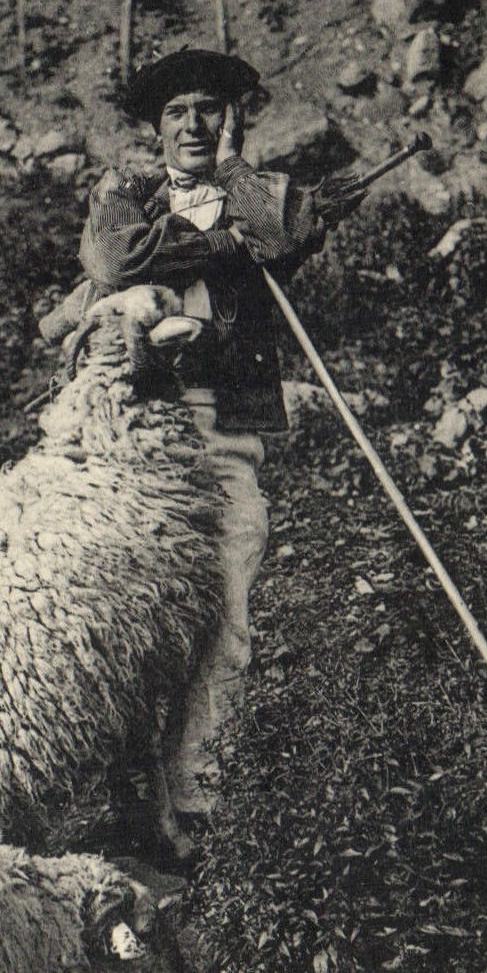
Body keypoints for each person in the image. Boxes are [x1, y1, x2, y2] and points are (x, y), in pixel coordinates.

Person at [72, 48, 357, 823]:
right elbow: (114, 260)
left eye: (209, 109)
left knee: (227, 620)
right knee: (136, 621)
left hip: (227, 431)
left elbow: (285, 234)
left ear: (231, 120)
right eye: (177, 112)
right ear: (156, 127)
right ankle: (132, 802)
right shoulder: (127, 195)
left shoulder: (258, 193)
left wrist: (231, 176)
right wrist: (222, 244)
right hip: (141, 437)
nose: (193, 125)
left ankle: (197, 799)